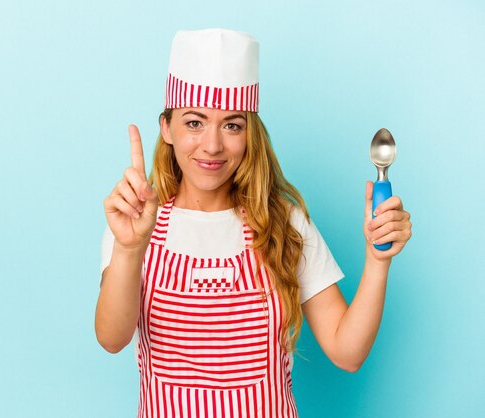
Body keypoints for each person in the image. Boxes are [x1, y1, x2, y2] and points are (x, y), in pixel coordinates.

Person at [95, 28, 412, 418]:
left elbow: (347, 353)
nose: (212, 145)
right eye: (194, 122)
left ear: (249, 134)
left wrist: (378, 261)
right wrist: (129, 248)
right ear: (166, 127)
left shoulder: (284, 222)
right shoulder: (134, 221)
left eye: (232, 125)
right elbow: (112, 339)